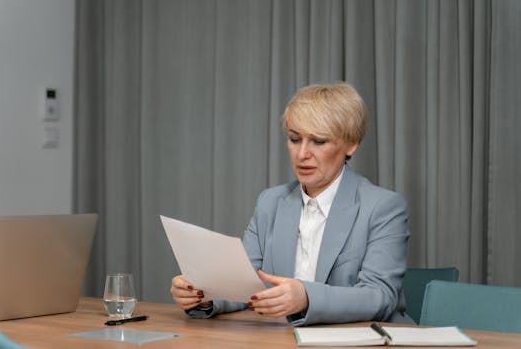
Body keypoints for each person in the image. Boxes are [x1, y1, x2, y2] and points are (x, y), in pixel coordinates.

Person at [171, 82, 410, 326]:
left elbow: (379, 296)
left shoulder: (383, 206)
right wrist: (203, 295)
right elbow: (246, 284)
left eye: (318, 141)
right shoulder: (270, 202)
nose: (302, 154)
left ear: (351, 144)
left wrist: (306, 298)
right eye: (295, 139)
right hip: (284, 339)